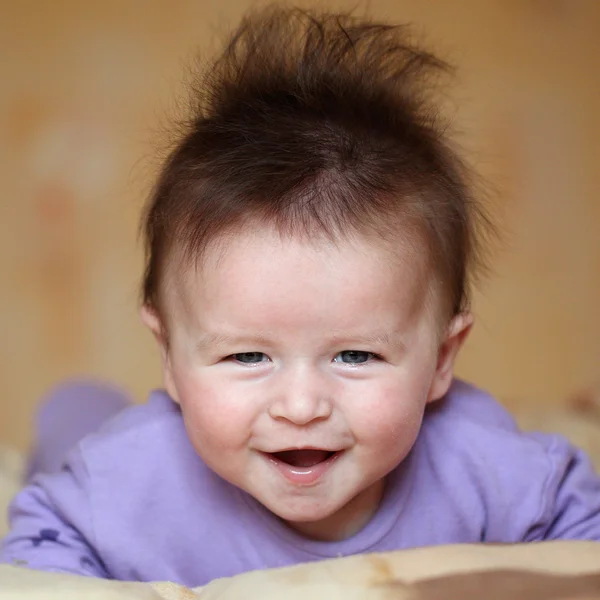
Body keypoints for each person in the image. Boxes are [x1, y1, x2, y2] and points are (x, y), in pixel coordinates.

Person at [2, 5, 599, 586]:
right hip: (110, 437)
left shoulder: (484, 466)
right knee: (77, 434)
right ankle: (77, 405)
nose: (302, 406)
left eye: (356, 355)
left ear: (443, 358)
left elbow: (580, 523)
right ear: (169, 354)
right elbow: (41, 542)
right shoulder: (127, 478)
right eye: (247, 356)